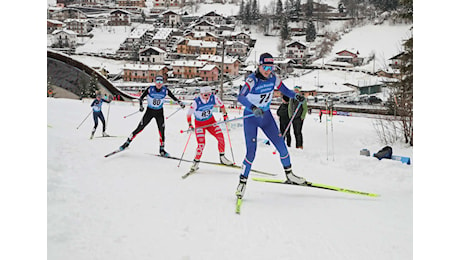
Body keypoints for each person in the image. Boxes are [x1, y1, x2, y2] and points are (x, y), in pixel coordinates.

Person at [235, 53, 308, 198]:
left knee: (281, 145)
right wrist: (253, 108)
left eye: (271, 67)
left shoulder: (273, 78)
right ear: (259, 66)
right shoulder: (252, 80)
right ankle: (242, 182)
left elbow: (285, 90)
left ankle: (290, 174)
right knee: (251, 152)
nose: (268, 70)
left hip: (266, 117)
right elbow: (240, 97)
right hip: (251, 117)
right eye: (265, 67)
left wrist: (296, 95)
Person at [119, 75, 185, 156]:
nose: (159, 83)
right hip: (149, 111)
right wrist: (141, 106)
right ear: (155, 82)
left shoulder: (165, 90)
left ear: (163, 83)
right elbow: (141, 98)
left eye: (161, 82)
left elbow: (174, 97)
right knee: (140, 128)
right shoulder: (150, 89)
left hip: (159, 112)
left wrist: (180, 102)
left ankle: (162, 150)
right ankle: (126, 143)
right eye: (158, 82)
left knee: (162, 131)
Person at [187, 86, 233, 172]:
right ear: (201, 94)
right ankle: (196, 162)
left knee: (220, 137)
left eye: (209, 94)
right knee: (201, 144)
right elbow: (189, 114)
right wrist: (190, 125)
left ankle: (222, 157)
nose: (207, 96)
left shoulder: (214, 98)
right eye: (205, 95)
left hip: (211, 122)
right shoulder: (196, 102)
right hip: (199, 124)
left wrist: (225, 115)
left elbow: (222, 105)